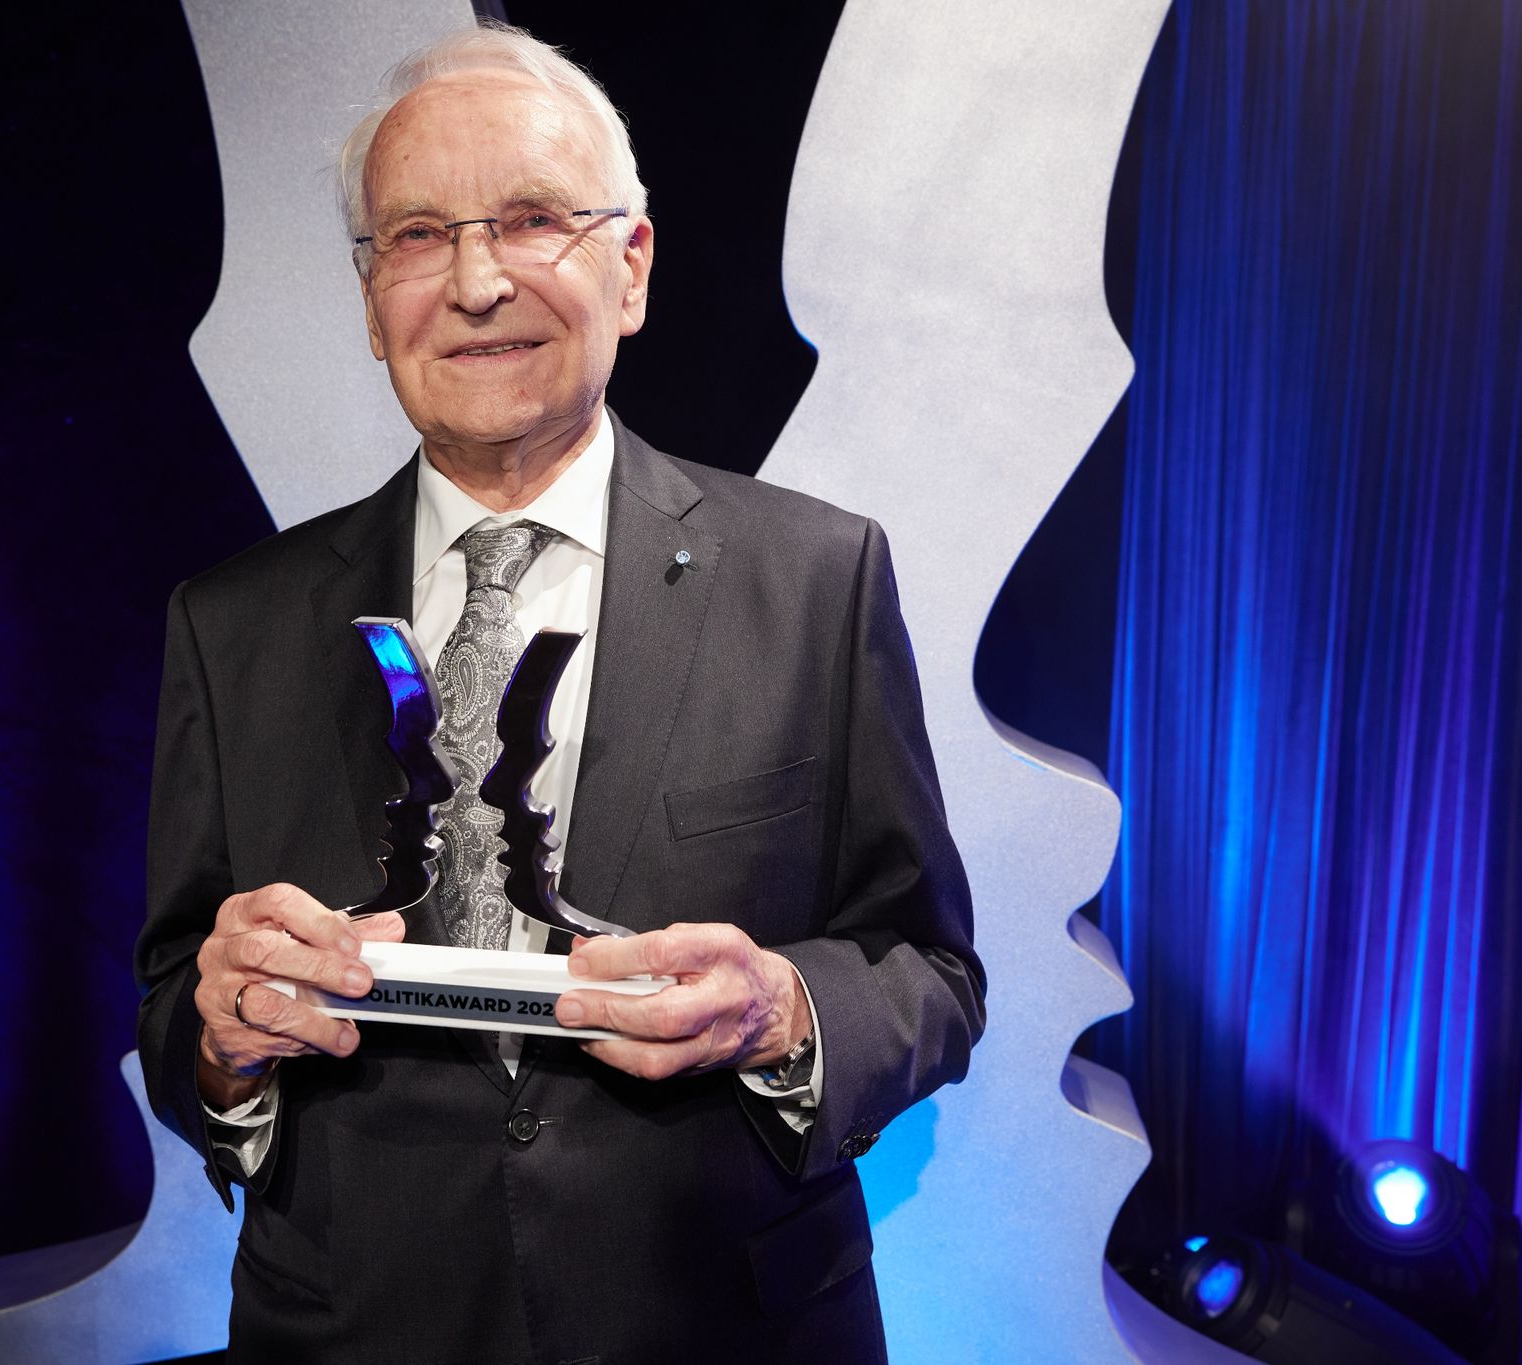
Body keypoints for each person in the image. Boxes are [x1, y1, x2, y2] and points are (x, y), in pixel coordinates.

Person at [135, 23, 983, 1363]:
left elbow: (929, 970)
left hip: (725, 1324)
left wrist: (780, 1007)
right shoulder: (229, 624)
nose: (475, 282)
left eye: (533, 219)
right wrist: (223, 1046)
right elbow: (177, 996)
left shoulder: (819, 578)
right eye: (416, 235)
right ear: (369, 299)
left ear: (631, 267)